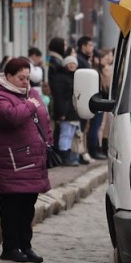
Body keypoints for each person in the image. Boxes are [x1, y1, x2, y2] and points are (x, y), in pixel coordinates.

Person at [0, 57, 52, 263]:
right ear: (8, 76)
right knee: (12, 207)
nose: (25, 82)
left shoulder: (30, 93)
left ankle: (26, 245)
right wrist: (30, 107)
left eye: (27, 78)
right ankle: (10, 247)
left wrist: (47, 140)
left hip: (33, 160)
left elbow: (43, 116)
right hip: (12, 162)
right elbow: (9, 116)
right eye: (20, 78)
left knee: (28, 207)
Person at [44, 38, 78, 167]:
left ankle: (64, 155)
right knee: (63, 133)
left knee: (67, 133)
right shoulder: (55, 62)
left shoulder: (56, 60)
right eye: (64, 44)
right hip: (61, 106)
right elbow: (60, 93)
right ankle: (61, 156)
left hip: (67, 108)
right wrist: (61, 111)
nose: (65, 47)